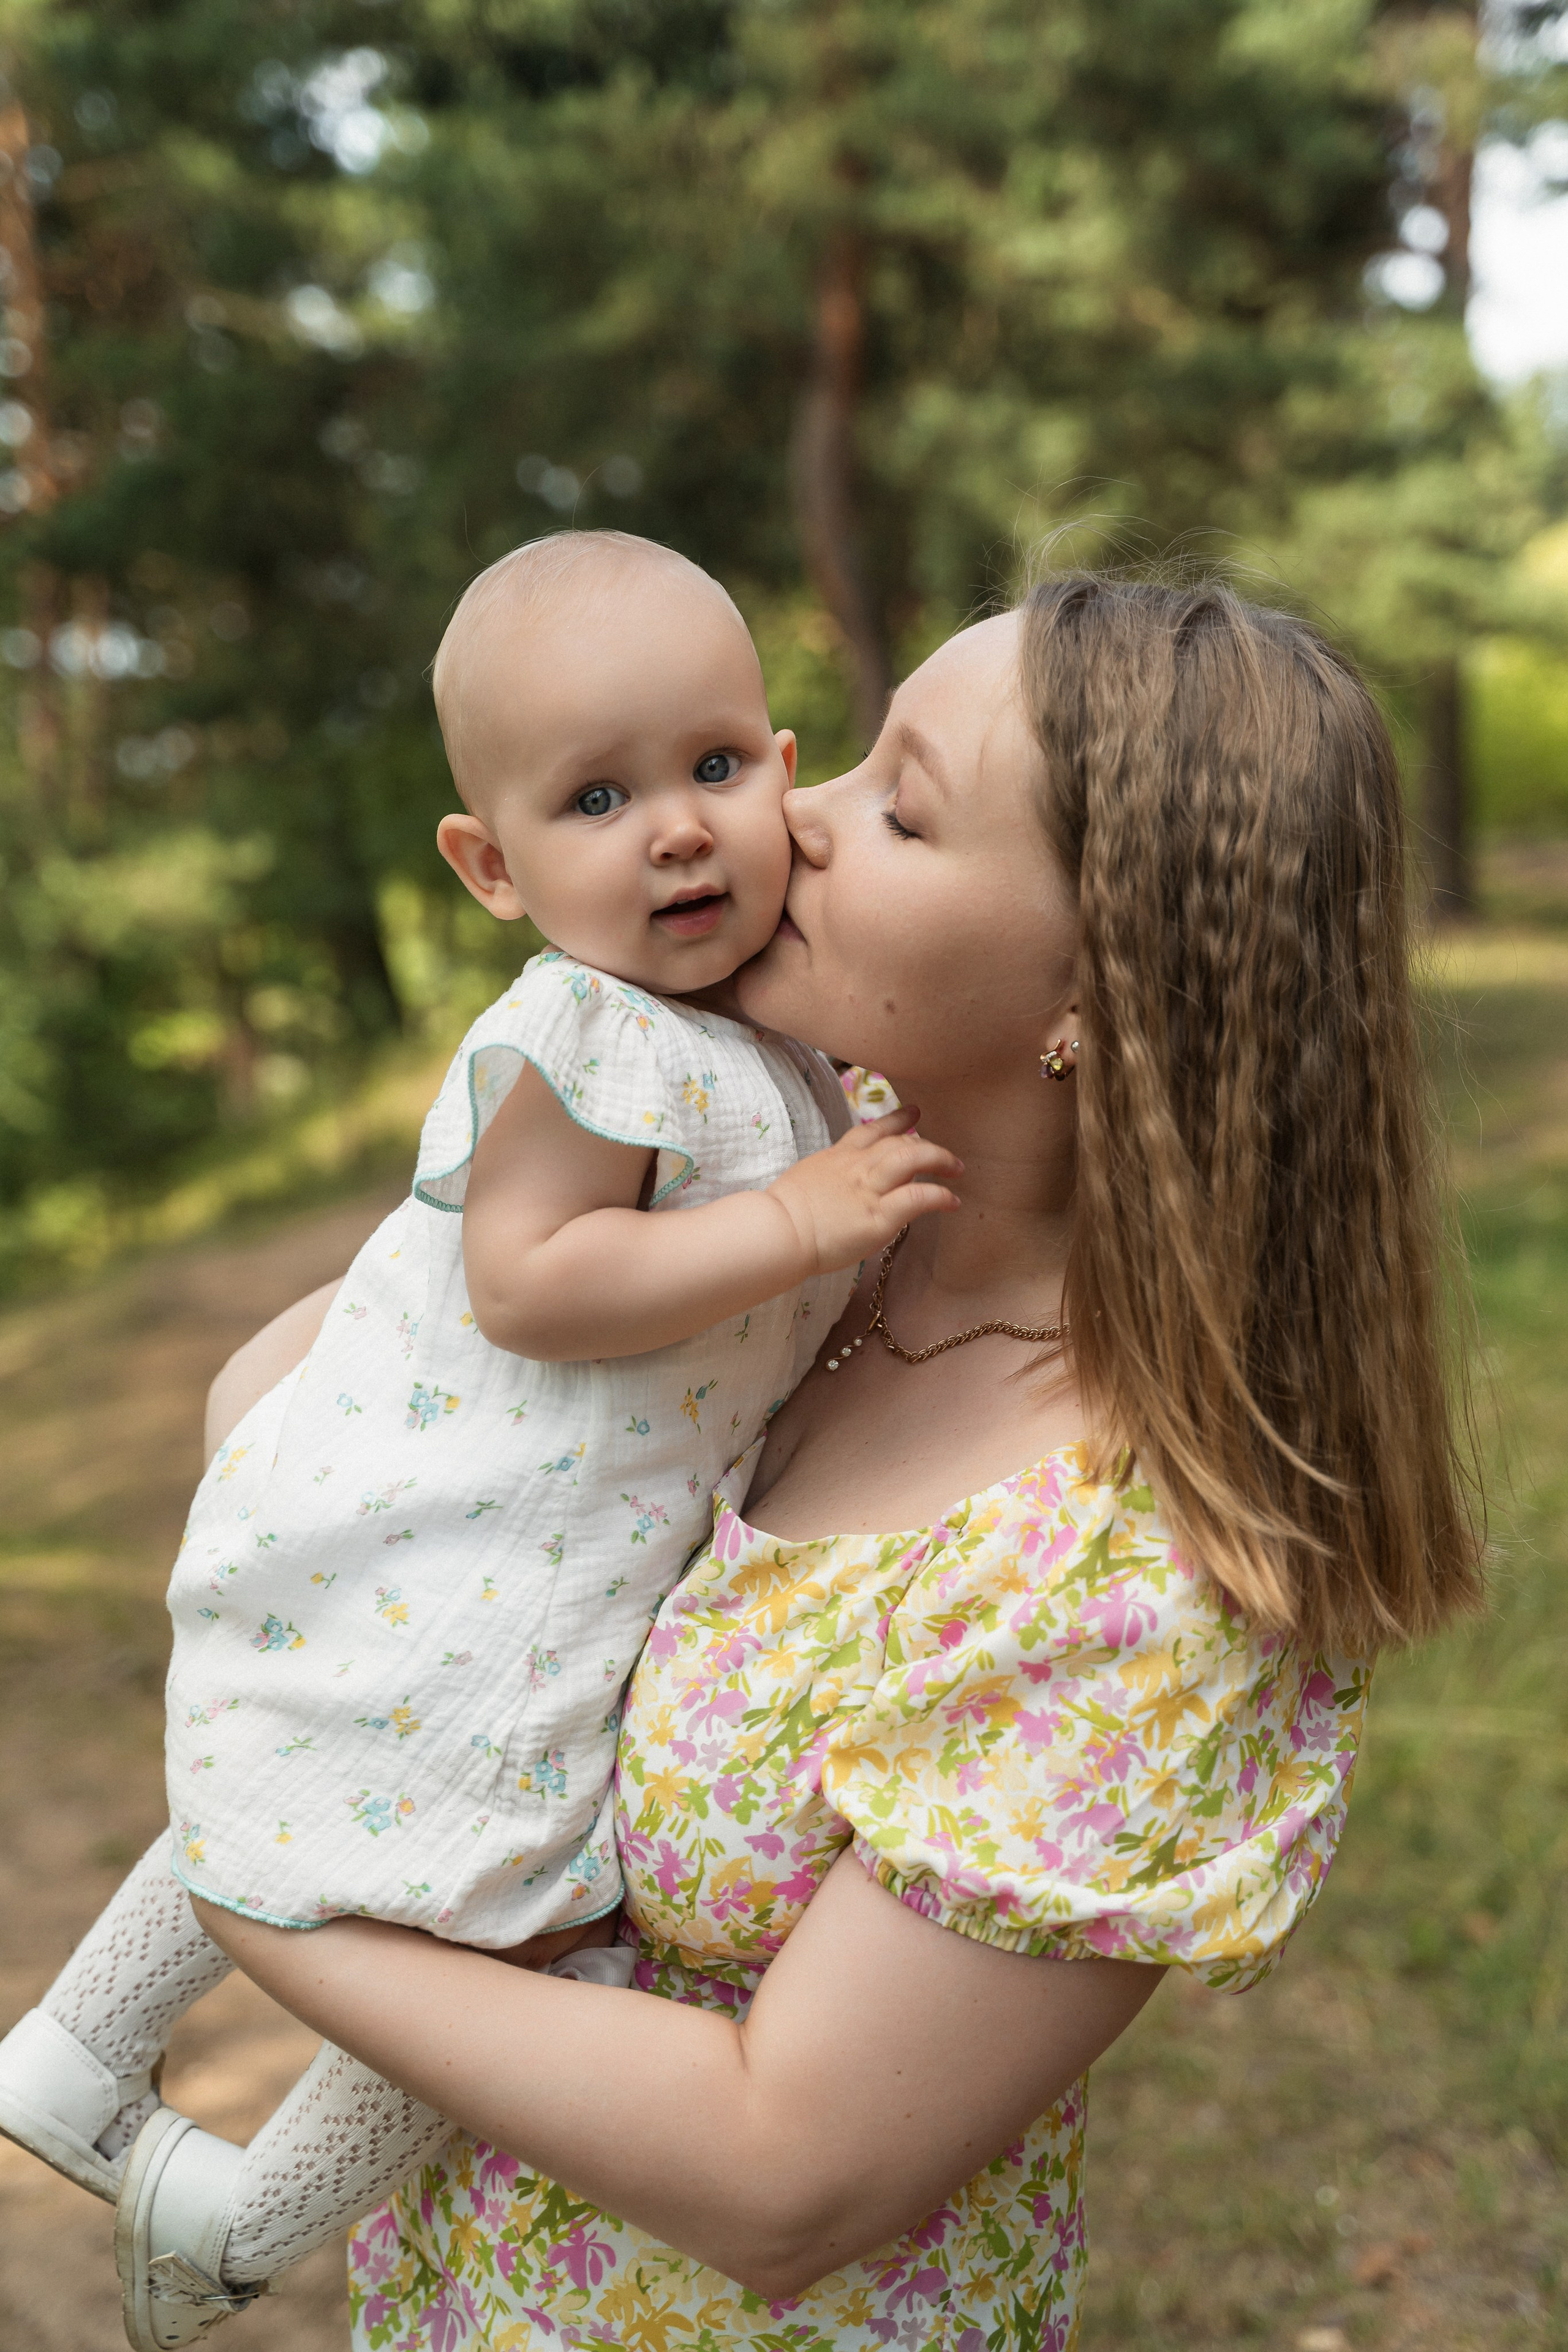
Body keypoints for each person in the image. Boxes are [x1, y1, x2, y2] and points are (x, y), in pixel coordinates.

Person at [186, 575, 1485, 2350]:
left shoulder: (1136, 1572)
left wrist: (278, 1913)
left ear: (1095, 986)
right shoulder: (807, 1206)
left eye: (900, 803)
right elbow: (315, 1385)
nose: (785, 809)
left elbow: (786, 2175)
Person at [0, 530, 963, 2352]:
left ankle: (82, 2070)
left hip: (564, 1543)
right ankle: (219, 2191)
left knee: (331, 1794)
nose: (679, 829)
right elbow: (529, 1277)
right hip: (475, 1533)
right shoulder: (589, 1031)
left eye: (715, 765)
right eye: (598, 798)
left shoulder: (754, 1034)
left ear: (780, 757)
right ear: (493, 868)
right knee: (468, 1913)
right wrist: (805, 1226)